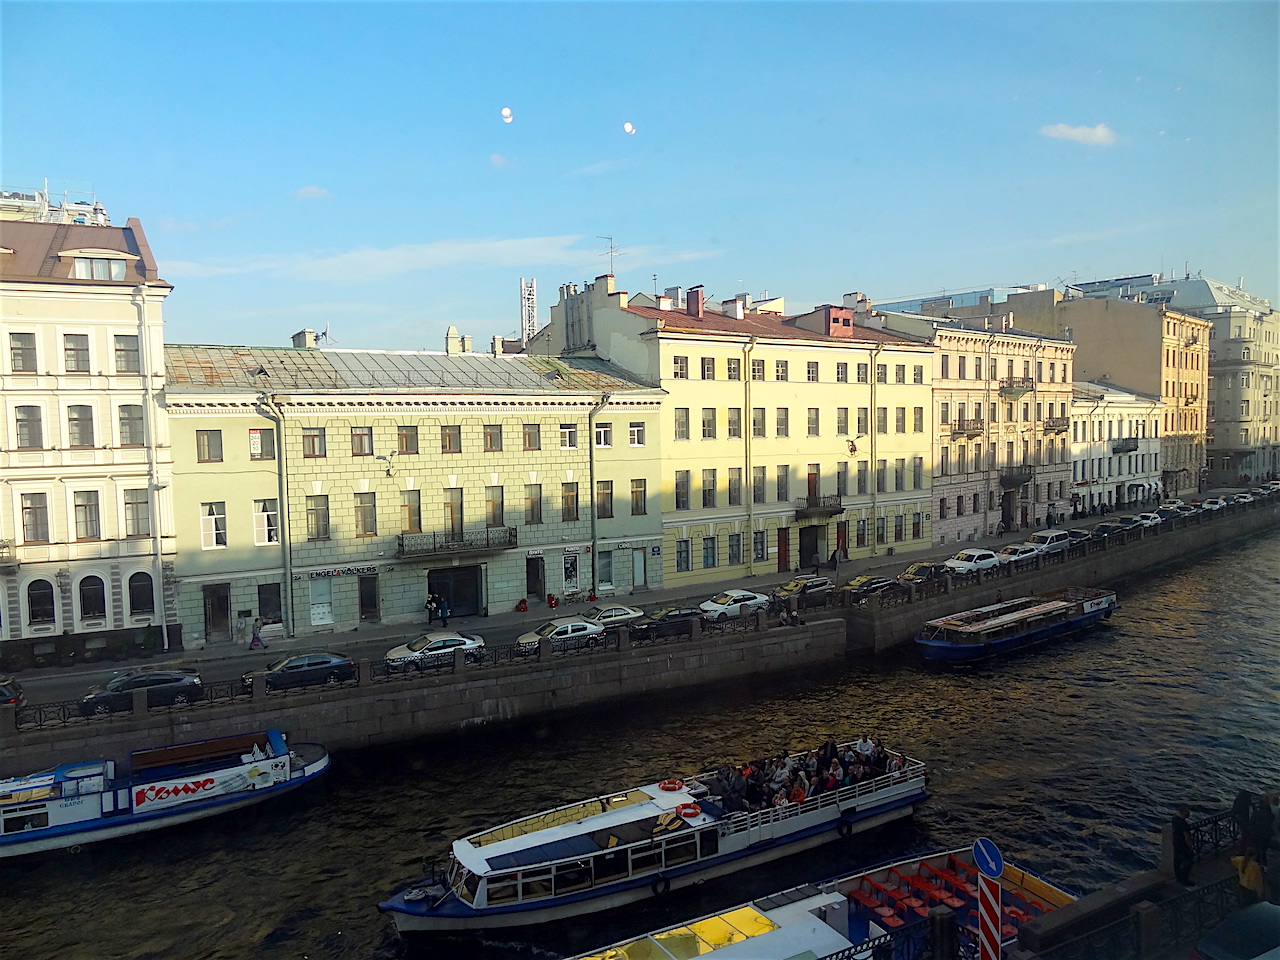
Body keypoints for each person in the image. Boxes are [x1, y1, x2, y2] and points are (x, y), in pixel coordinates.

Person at [1172, 805, 1195, 887]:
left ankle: (1178, 878)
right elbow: (1187, 838)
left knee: (1177, 862)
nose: (1189, 814)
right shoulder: (1184, 824)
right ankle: (1185, 880)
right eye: (1187, 812)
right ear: (1183, 812)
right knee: (1188, 862)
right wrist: (1190, 847)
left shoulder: (1174, 820)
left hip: (1176, 844)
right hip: (1183, 846)